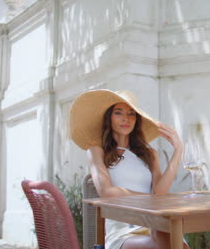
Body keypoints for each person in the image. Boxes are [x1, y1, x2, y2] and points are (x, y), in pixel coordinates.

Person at [69, 89, 189, 249]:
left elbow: (160, 192)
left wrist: (178, 150)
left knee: (172, 238)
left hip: (151, 223)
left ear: (137, 120)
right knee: (168, 245)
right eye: (118, 113)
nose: (126, 119)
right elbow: (106, 191)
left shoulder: (149, 153)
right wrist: (150, 200)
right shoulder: (97, 151)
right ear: (108, 118)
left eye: (132, 114)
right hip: (122, 230)